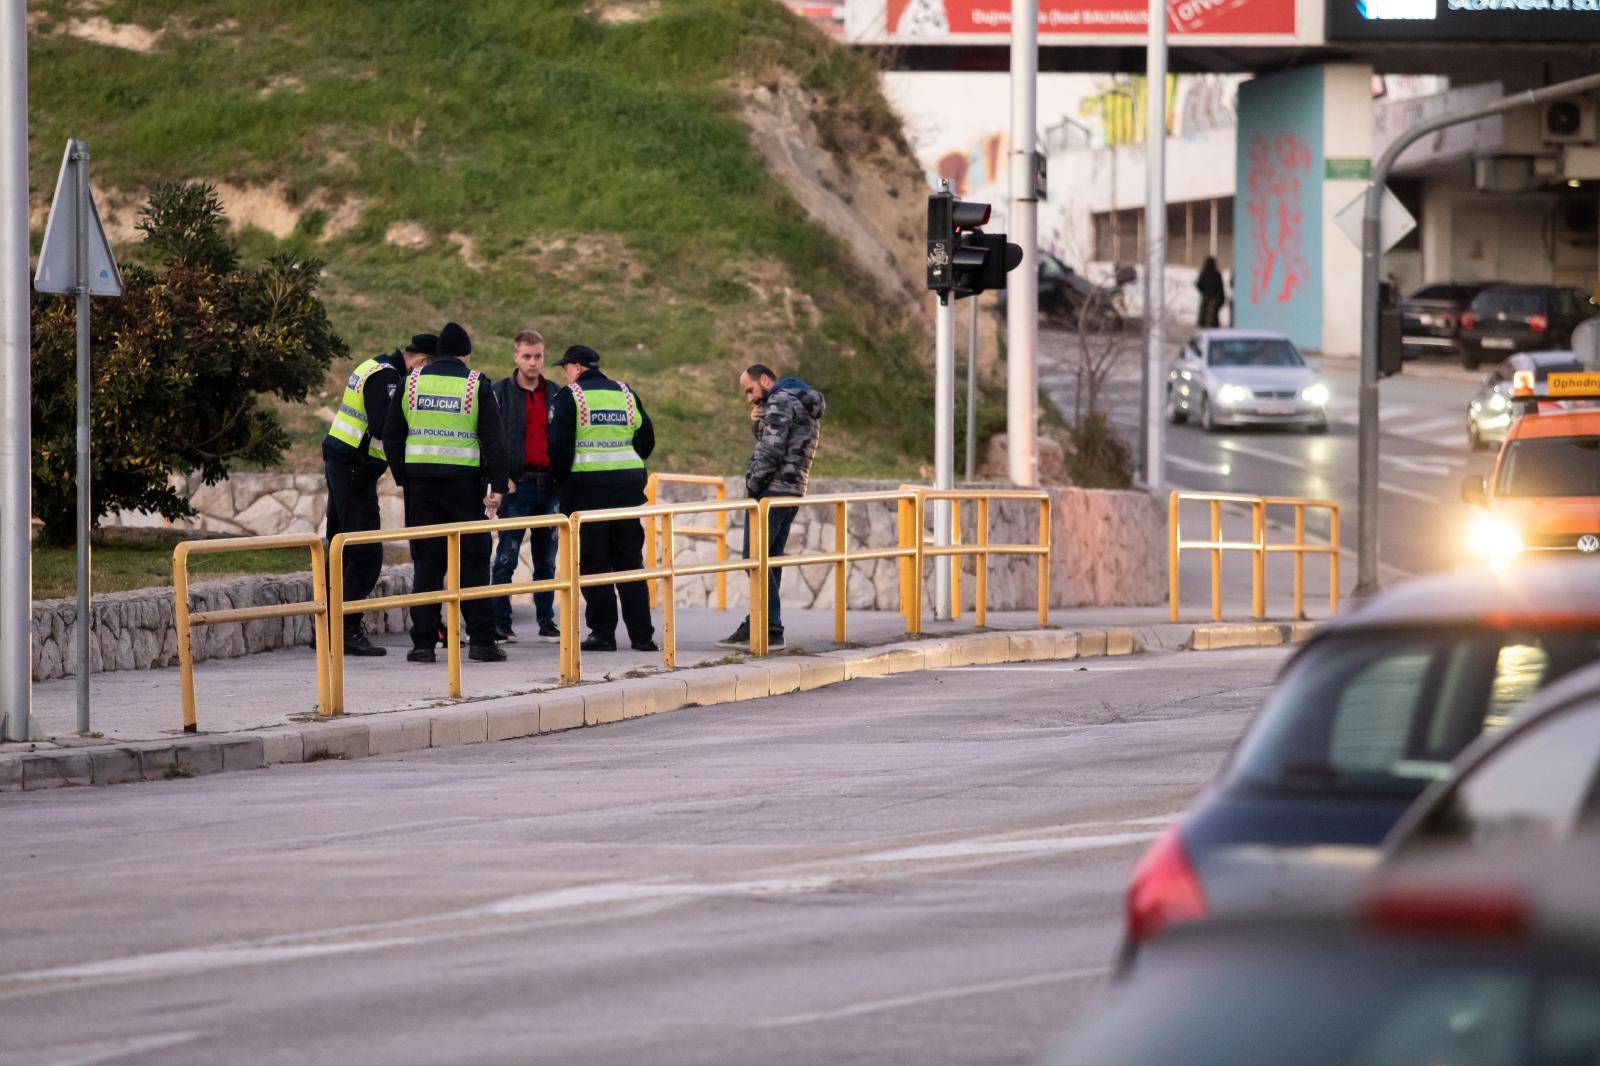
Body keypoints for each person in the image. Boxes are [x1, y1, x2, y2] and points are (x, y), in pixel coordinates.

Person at [381, 321, 511, 665]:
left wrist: (403, 477)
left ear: (436, 354)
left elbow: (392, 435)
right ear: (465, 354)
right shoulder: (475, 384)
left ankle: (423, 644)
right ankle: (482, 641)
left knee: (427, 564)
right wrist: (497, 486)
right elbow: (495, 440)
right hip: (464, 489)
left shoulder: (411, 382)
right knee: (472, 563)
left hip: (421, 487)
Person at [321, 336, 430, 656]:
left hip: (345, 461)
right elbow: (383, 427)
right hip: (354, 468)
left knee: (341, 548)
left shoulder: (377, 365)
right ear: (420, 362)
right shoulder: (386, 378)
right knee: (365, 554)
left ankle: (328, 629)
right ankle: (345, 628)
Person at [547, 344, 657, 653]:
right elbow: (646, 439)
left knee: (594, 565)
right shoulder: (625, 393)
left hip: (587, 493)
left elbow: (558, 448)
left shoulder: (572, 397)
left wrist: (560, 482)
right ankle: (642, 636)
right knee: (630, 563)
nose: (564, 374)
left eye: (565, 368)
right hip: (626, 492)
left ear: (578, 367)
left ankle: (603, 633)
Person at [717, 365, 826, 652]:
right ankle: (759, 623)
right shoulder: (801, 401)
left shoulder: (779, 400)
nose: (750, 398)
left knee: (754, 558)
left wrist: (752, 486)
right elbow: (785, 443)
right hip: (792, 490)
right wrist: (758, 425)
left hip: (771, 492)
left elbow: (771, 451)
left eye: (751, 389)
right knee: (769, 559)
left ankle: (771, 628)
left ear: (765, 380)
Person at [489, 329, 562, 643]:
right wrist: (498, 479)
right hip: (516, 486)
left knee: (547, 559)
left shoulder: (557, 393)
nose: (533, 363)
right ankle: (501, 622)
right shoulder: (500, 392)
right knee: (506, 556)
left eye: (538, 356)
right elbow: (490, 438)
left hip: (550, 486)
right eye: (527, 356)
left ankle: (546, 620)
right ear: (516, 357)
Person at [1196, 256, 1225, 328]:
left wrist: (1204, 292)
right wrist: (1220, 300)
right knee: (1213, 320)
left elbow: (1199, 285)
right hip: (1214, 301)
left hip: (1206, 300)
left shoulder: (1204, 274)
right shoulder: (1217, 275)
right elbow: (1220, 289)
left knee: (1203, 320)